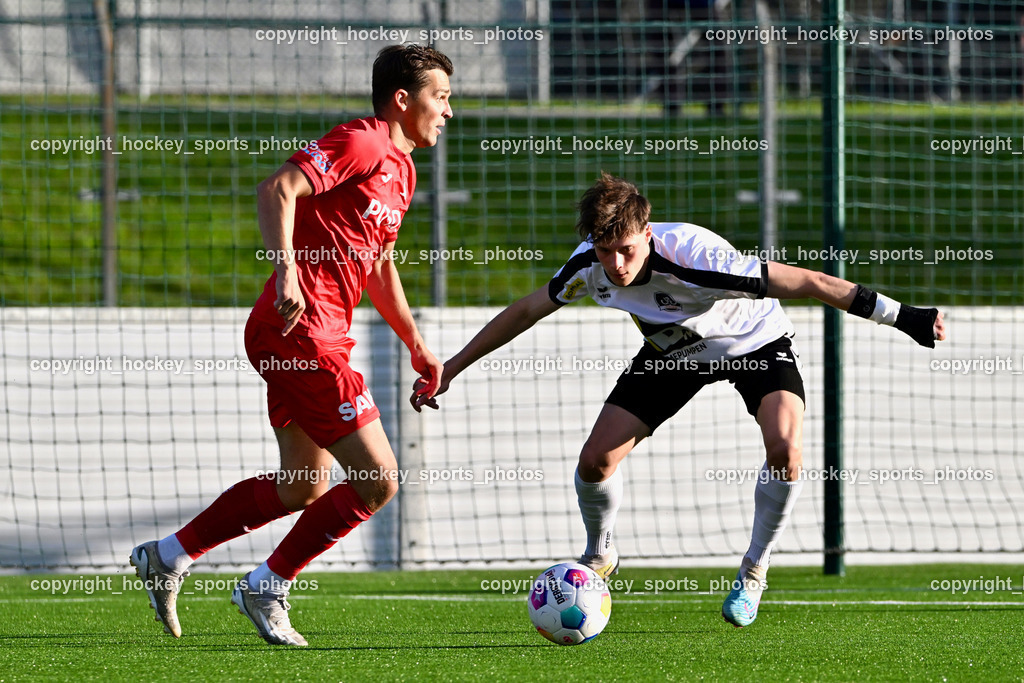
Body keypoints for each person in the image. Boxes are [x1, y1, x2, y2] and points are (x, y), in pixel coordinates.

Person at [413, 172, 946, 628]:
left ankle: (754, 572)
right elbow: (526, 310)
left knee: (786, 449)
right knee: (594, 462)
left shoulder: (698, 259)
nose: (616, 264)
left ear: (647, 234)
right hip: (673, 354)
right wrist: (452, 369)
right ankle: (600, 554)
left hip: (753, 345)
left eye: (627, 249)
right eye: (604, 250)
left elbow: (810, 281)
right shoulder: (588, 266)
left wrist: (906, 318)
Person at [130, 44, 452, 646]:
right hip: (299, 332)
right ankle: (267, 584)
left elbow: (377, 260)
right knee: (379, 479)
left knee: (305, 484)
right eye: (441, 97)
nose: (448, 111)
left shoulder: (402, 171)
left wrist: (415, 342)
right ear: (403, 101)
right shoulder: (363, 141)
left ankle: (169, 555)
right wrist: (287, 269)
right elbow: (276, 189)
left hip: (309, 335)